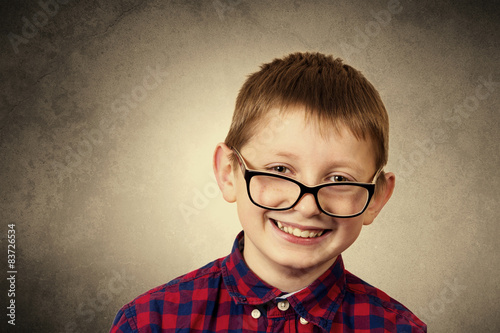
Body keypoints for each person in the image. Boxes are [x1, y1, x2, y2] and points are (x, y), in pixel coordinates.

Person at [110, 52, 427, 332]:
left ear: (376, 198)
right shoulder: (150, 322)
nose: (306, 207)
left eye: (339, 179)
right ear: (228, 172)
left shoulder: (398, 328)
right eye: (280, 170)